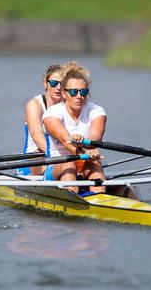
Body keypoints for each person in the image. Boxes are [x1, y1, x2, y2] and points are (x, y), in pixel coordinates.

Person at [42, 62, 106, 194]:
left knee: (95, 163)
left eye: (83, 92)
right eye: (73, 92)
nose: (79, 96)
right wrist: (83, 151)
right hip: (56, 168)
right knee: (69, 164)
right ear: (64, 94)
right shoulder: (52, 114)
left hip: (86, 161)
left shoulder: (96, 111)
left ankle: (100, 199)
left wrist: (88, 144)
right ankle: (72, 200)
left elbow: (96, 136)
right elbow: (66, 140)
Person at [18, 63, 64, 175]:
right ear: (45, 83)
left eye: (62, 84)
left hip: (62, 158)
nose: (58, 87)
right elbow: (36, 135)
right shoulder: (35, 105)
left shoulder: (68, 106)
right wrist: (58, 155)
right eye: (53, 83)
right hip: (33, 161)